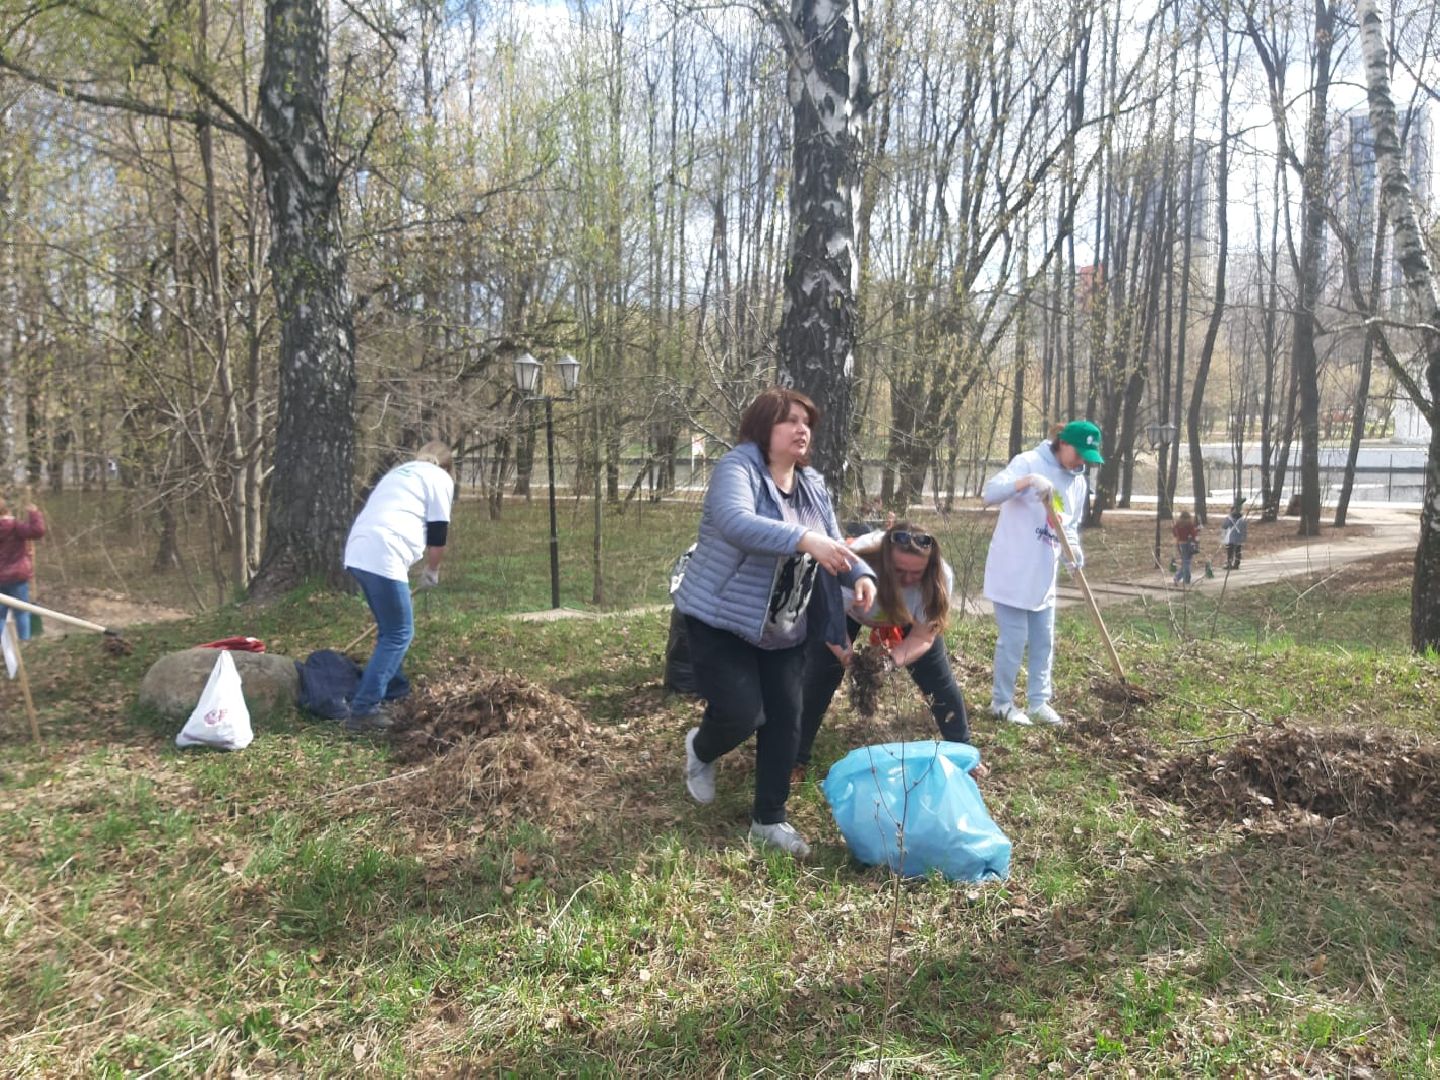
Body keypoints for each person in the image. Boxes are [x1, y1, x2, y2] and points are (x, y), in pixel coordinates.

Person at [673, 388, 876, 858]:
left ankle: (769, 819)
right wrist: (804, 538)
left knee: (786, 719)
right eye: (790, 421)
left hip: (784, 624)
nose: (802, 429)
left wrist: (861, 575)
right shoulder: (738, 468)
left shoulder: (811, 484)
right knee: (743, 712)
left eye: (807, 422)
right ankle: (701, 749)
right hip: (722, 618)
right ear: (764, 427)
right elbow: (736, 523)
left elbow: (831, 539)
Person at [795, 521, 973, 780]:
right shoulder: (849, 565)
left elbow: (923, 636)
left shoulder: (939, 577)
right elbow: (827, 622)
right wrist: (848, 658)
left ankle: (964, 753)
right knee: (819, 676)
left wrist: (889, 662)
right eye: (900, 571)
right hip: (848, 612)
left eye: (916, 573)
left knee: (938, 680)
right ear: (885, 561)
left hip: (906, 617)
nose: (908, 579)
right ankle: (794, 757)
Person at [982, 420, 1102, 727]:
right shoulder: (1028, 462)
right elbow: (990, 493)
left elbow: (1068, 526)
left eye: (1088, 457)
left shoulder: (1078, 482)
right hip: (1012, 570)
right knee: (1014, 640)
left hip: (1043, 574)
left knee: (1043, 641)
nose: (1082, 461)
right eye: (1079, 453)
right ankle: (1001, 703)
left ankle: (1038, 702)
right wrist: (1027, 482)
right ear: (1063, 443)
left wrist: (1074, 552)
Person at [342, 441, 455, 733]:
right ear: (447, 466)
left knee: (389, 629)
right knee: (399, 633)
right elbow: (438, 533)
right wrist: (432, 570)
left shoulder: (400, 472)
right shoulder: (440, 478)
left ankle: (396, 689)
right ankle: (364, 709)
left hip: (358, 550)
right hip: (384, 552)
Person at [0, 490, 46, 641]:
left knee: (0, 614)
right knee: (22, 611)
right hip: (17, 575)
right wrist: (34, 514)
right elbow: (38, 531)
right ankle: (24, 642)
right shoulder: (15, 526)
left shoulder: (16, 526)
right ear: (7, 510)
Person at [1172, 510, 1200, 585]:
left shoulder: (1178, 524)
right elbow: (1193, 534)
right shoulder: (1189, 524)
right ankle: (1183, 578)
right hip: (1188, 544)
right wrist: (1196, 533)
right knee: (1186, 562)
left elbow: (1174, 532)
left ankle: (1181, 578)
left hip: (1180, 543)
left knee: (1185, 561)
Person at [1221, 501, 1248, 569]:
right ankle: (1237, 563)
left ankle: (1229, 563)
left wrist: (1223, 537)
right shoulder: (1242, 519)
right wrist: (1244, 537)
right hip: (1239, 537)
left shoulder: (1229, 518)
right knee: (1238, 551)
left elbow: (1224, 526)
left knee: (1230, 551)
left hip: (1231, 537)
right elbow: (1244, 529)